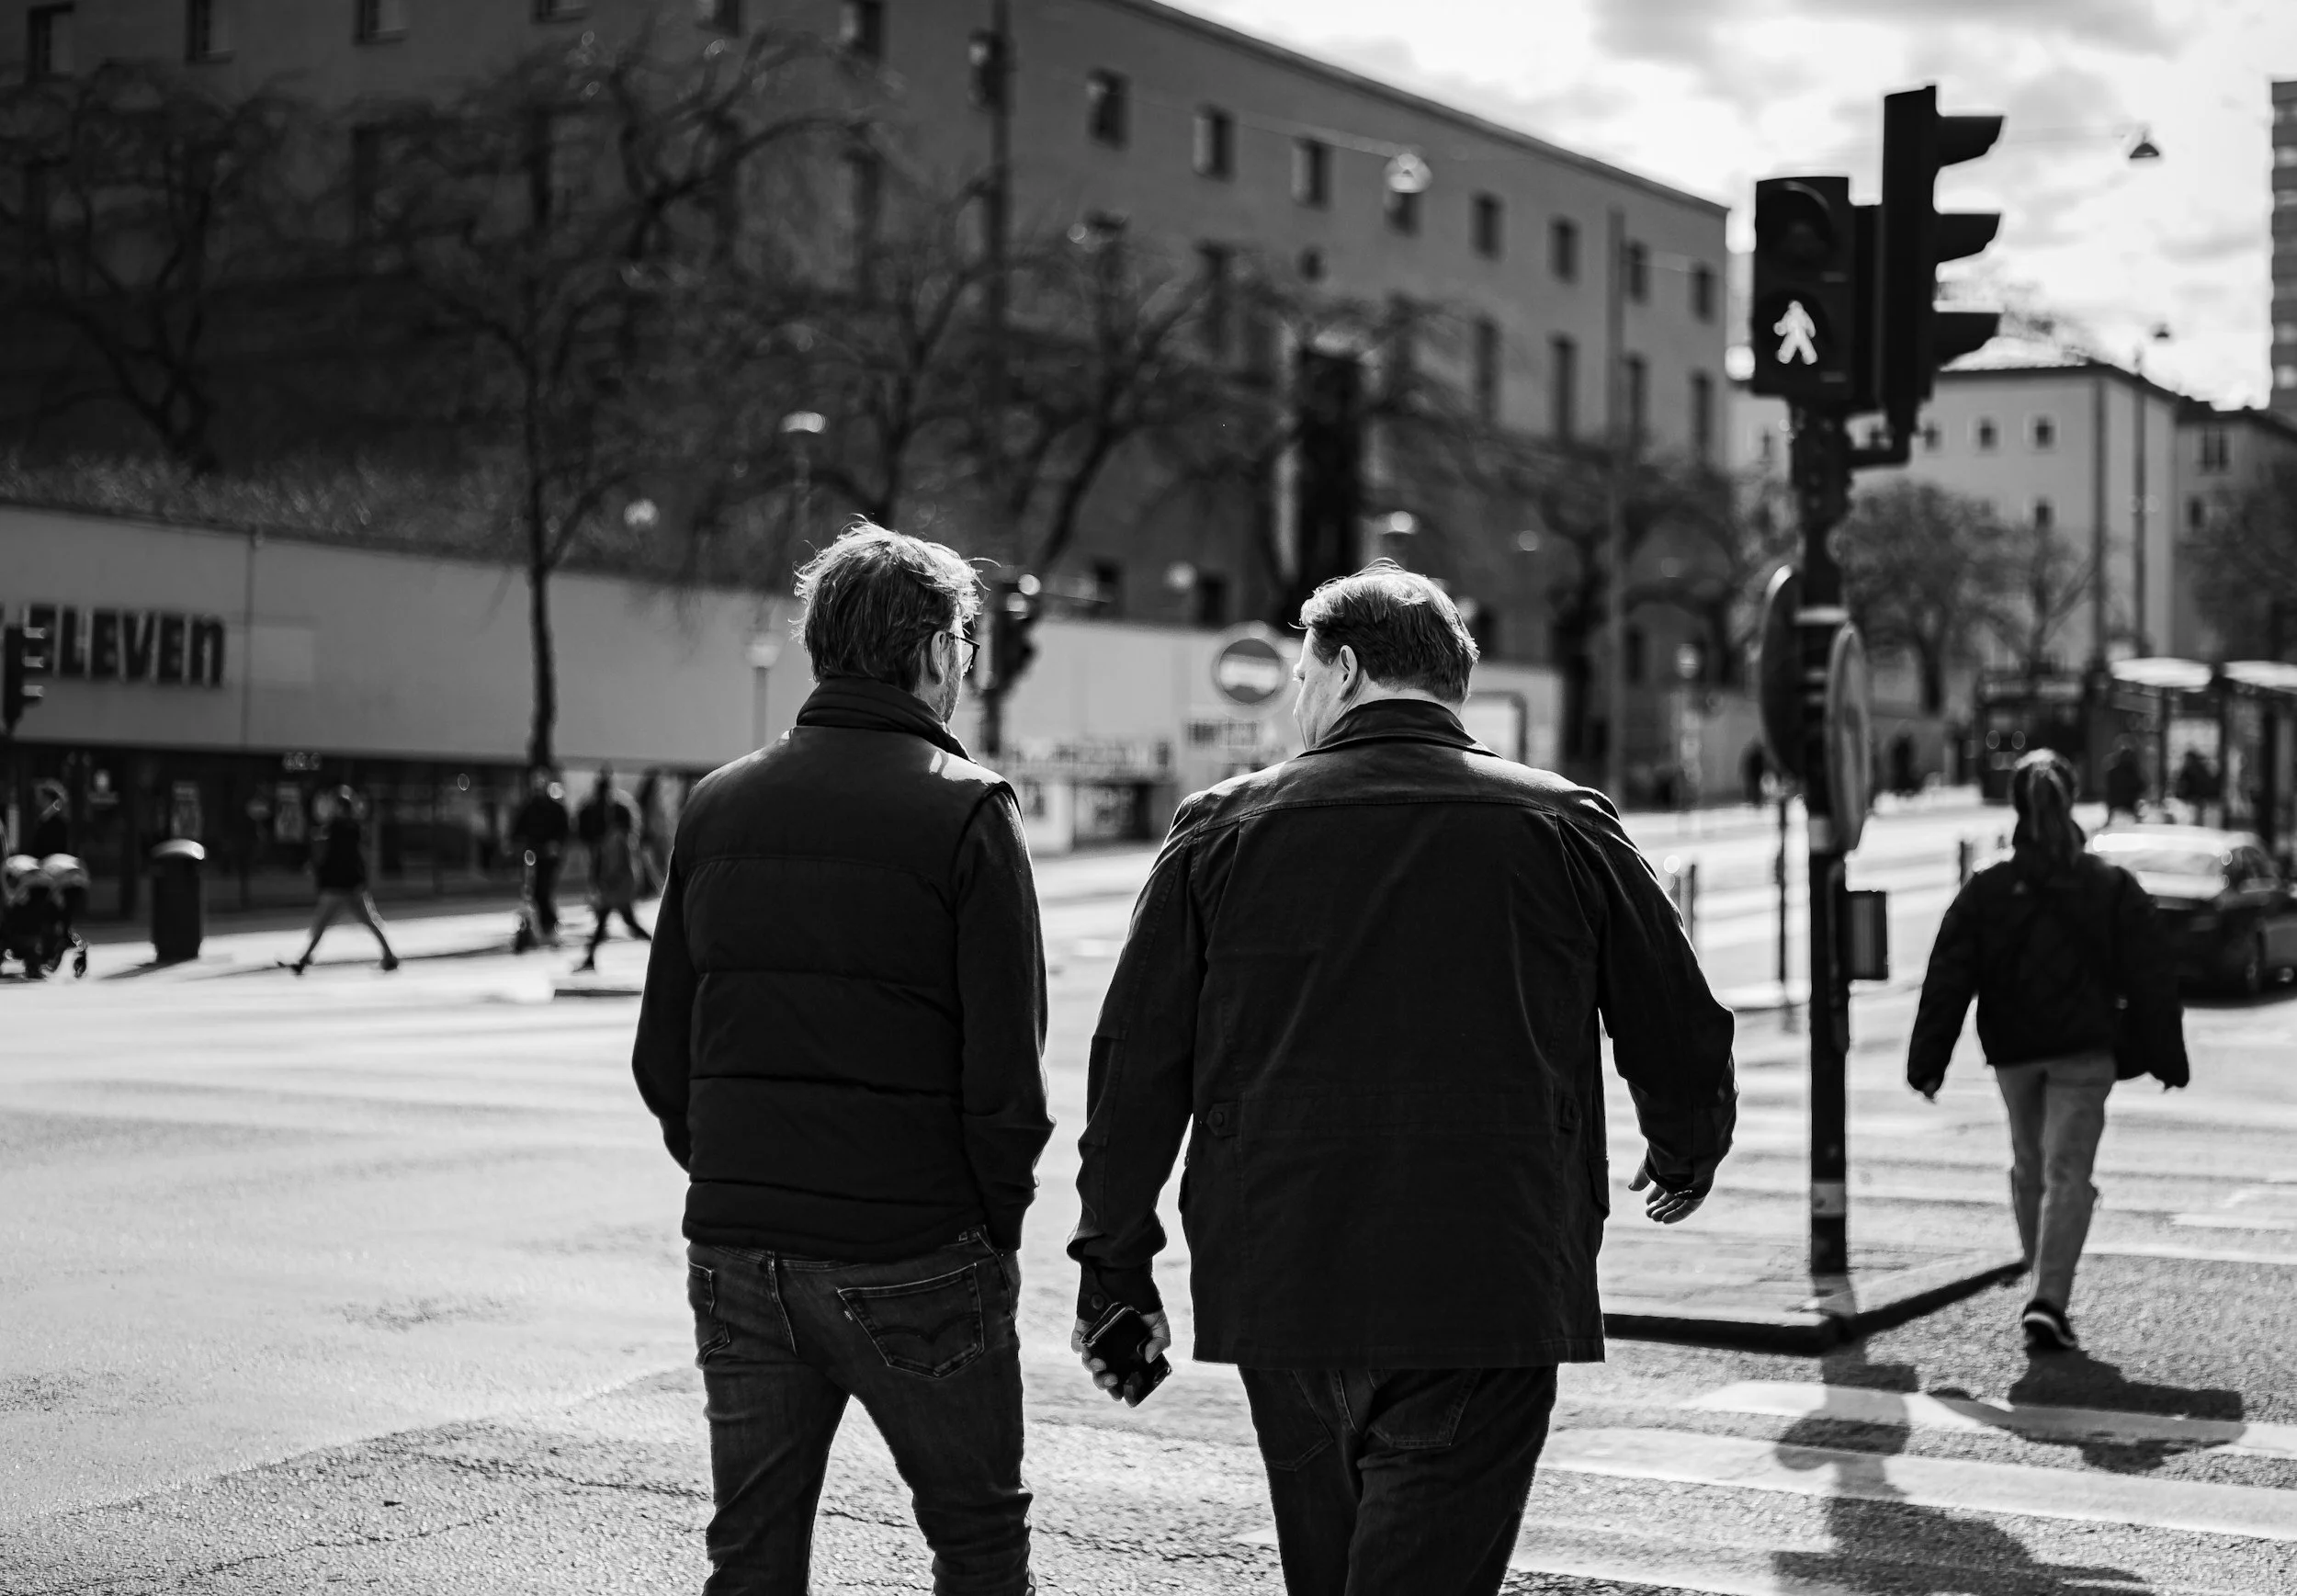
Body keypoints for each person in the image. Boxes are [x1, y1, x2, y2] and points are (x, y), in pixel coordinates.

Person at [1069, 561, 1738, 1596]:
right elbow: (1680, 1022)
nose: (1296, 699)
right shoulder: (1561, 823)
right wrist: (1684, 1145)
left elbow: (1137, 1066)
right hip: (1490, 1274)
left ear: (1341, 670)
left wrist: (1113, 1264)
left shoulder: (1223, 828)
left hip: (1287, 1273)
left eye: (1302, 676)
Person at [631, 524, 1051, 1596]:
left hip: (738, 1247)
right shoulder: (966, 809)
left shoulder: (718, 803)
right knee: (977, 1545)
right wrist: (990, 1224)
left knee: (752, 1557)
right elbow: (1006, 1075)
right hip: (912, 1246)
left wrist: (735, 1173)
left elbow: (660, 1055)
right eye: (966, 641)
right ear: (939, 654)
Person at [1907, 749, 2187, 1353]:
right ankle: (2047, 1297)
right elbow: (2151, 975)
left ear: (2016, 810)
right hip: (2084, 1050)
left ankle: (2043, 1289)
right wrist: (2166, 1054)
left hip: (2013, 1051)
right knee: (2068, 1172)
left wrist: (1928, 1063)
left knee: (2029, 1166)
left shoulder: (1988, 889)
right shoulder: (2109, 886)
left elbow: (1949, 975)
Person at [288, 787, 399, 974]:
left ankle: (304, 959)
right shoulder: (353, 828)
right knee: (370, 922)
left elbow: (329, 855)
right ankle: (389, 956)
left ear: (340, 807)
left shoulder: (336, 828)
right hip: (354, 885)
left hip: (338, 886)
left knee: (321, 924)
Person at [573, 801, 649, 972]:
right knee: (616, 924)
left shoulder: (617, 837)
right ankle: (589, 959)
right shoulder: (623, 836)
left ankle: (661, 948)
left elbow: (615, 866)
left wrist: (605, 884)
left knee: (624, 924)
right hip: (619, 889)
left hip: (617, 890)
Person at [512, 769, 571, 945]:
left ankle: (550, 923)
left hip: (549, 857)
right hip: (532, 855)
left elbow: (564, 831)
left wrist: (556, 845)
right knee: (532, 891)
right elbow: (518, 829)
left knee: (544, 890)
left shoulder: (556, 809)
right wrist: (515, 842)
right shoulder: (529, 807)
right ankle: (539, 924)